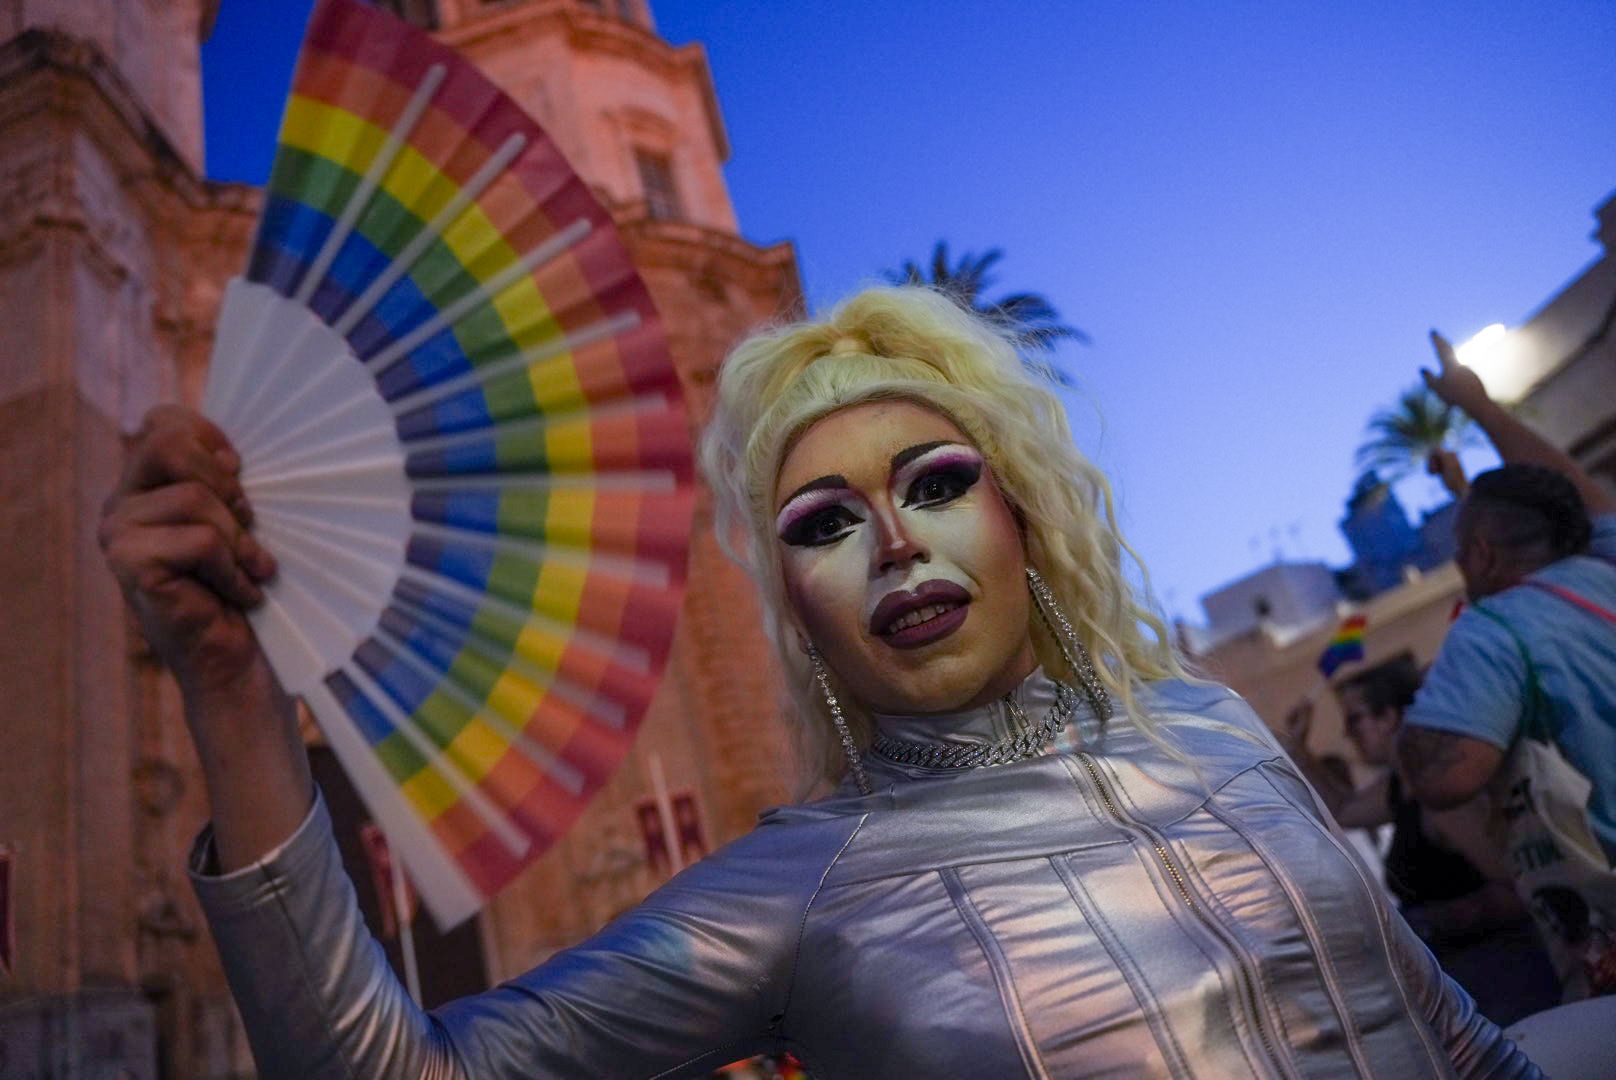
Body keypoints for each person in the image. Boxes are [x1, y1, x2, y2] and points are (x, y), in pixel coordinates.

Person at [100, 288, 1537, 1077]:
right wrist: (228, 691)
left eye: (934, 483)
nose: (895, 542)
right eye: (825, 524)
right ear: (796, 603)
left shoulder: (1213, 722)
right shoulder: (799, 891)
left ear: (1023, 518)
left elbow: (1455, 1042)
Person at [1395, 331, 1616, 1000]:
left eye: (1463, 550)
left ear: (1484, 556)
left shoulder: (1491, 630)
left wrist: (1418, 722)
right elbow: (1581, 493)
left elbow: (1448, 776)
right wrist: (1480, 407)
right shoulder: (1604, 565)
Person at [1282, 661, 1558, 1022]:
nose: (1348, 734)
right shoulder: (1403, 785)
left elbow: (1514, 886)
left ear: (1390, 716)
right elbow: (1342, 811)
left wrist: (1425, 923)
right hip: (1475, 977)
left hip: (1509, 976)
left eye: (1355, 720)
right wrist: (1299, 749)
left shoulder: (1438, 792)